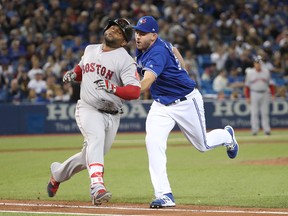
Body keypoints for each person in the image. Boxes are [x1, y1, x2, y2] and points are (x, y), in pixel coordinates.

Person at [132, 16, 239, 208]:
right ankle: (164, 195)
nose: (138, 37)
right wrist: (182, 67)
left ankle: (227, 136)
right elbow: (174, 48)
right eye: (137, 32)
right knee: (153, 143)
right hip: (161, 105)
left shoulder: (156, 52)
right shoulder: (147, 47)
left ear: (154, 36)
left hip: (186, 102)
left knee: (203, 145)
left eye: (142, 33)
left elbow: (145, 84)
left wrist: (120, 92)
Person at [46, 18, 141, 205]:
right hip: (88, 108)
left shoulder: (125, 60)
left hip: (113, 114)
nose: (113, 30)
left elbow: (135, 91)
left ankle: (57, 174)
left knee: (88, 156)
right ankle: (97, 187)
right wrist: (74, 73)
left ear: (123, 41)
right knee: (95, 140)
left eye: (119, 31)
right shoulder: (90, 49)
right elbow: (83, 67)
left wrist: (113, 88)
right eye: (112, 27)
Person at [244, 55, 275, 136]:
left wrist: (273, 94)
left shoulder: (266, 71)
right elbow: (247, 86)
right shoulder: (250, 72)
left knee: (265, 113)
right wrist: (247, 97)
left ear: (261, 64)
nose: (258, 64)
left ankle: (267, 130)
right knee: (254, 113)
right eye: (256, 63)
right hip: (254, 93)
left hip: (265, 93)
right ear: (254, 64)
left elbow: (271, 84)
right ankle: (255, 130)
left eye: (259, 63)